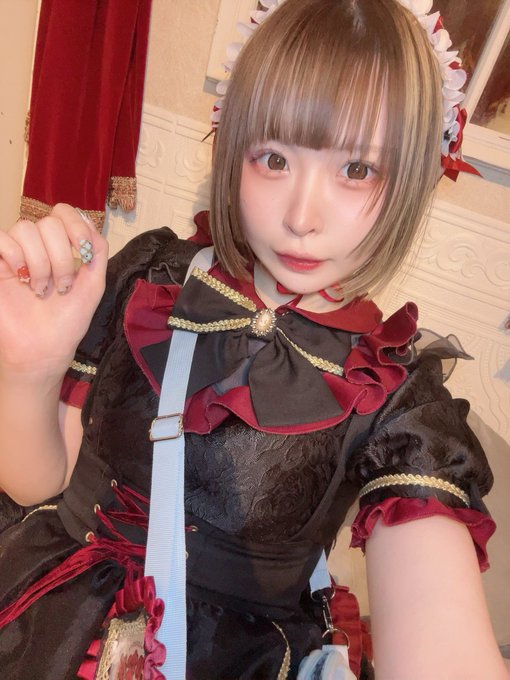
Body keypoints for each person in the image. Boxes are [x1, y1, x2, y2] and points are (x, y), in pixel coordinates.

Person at [0, 0, 507, 678]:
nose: (302, 216)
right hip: (41, 622)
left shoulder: (392, 392)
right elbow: (39, 481)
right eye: (274, 158)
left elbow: (442, 646)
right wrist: (27, 371)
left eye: (357, 170)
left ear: (412, 178)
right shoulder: (148, 275)